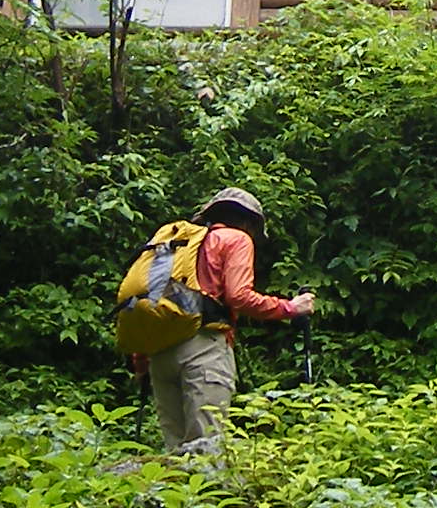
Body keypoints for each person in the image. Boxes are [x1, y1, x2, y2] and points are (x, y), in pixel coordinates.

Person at [132, 187, 313, 455]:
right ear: (249, 223)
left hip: (159, 353)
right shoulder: (236, 239)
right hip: (203, 350)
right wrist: (290, 307)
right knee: (206, 450)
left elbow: (149, 298)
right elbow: (238, 296)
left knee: (174, 453)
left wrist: (141, 359)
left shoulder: (176, 246)